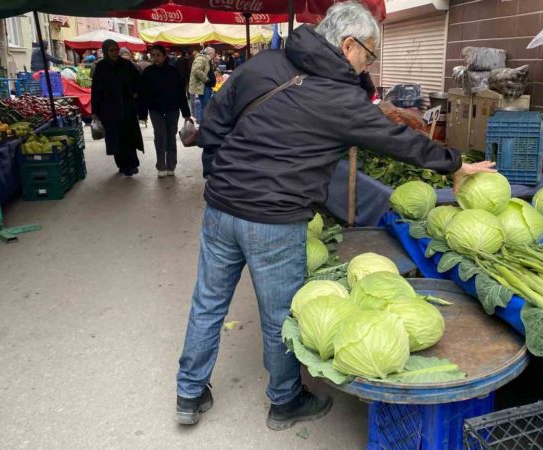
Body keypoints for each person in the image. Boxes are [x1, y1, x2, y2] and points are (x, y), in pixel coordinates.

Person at [176, 1, 496, 430]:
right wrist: (454, 163)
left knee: (208, 303)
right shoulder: (340, 98)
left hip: (221, 209)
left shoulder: (262, 64)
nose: (369, 63)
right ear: (348, 45)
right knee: (279, 315)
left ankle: (189, 393)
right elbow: (397, 139)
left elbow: (214, 123)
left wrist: (220, 178)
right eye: (369, 54)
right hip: (275, 219)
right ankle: (285, 401)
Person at [91, 39, 144, 176]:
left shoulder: (127, 65)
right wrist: (95, 112)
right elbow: (96, 90)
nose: (114, 53)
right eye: (111, 50)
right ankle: (121, 164)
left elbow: (138, 81)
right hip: (109, 111)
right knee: (115, 138)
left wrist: (136, 94)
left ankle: (132, 165)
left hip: (127, 108)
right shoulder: (101, 67)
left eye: (116, 50)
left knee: (129, 137)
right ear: (105, 52)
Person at [138, 45, 192, 178]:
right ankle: (161, 165)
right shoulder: (148, 72)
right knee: (160, 137)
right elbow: (143, 94)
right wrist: (143, 114)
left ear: (164, 56)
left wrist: (186, 114)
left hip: (172, 110)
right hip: (155, 110)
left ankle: (171, 165)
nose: (155, 58)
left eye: (158, 55)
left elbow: (181, 94)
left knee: (171, 138)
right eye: (153, 55)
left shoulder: (173, 72)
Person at [189, 47, 215, 124]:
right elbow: (197, 71)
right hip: (202, 87)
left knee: (204, 106)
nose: (214, 55)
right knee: (203, 107)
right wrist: (207, 80)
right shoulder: (201, 59)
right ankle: (202, 124)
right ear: (210, 53)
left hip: (205, 87)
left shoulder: (205, 59)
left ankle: (203, 124)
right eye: (214, 53)